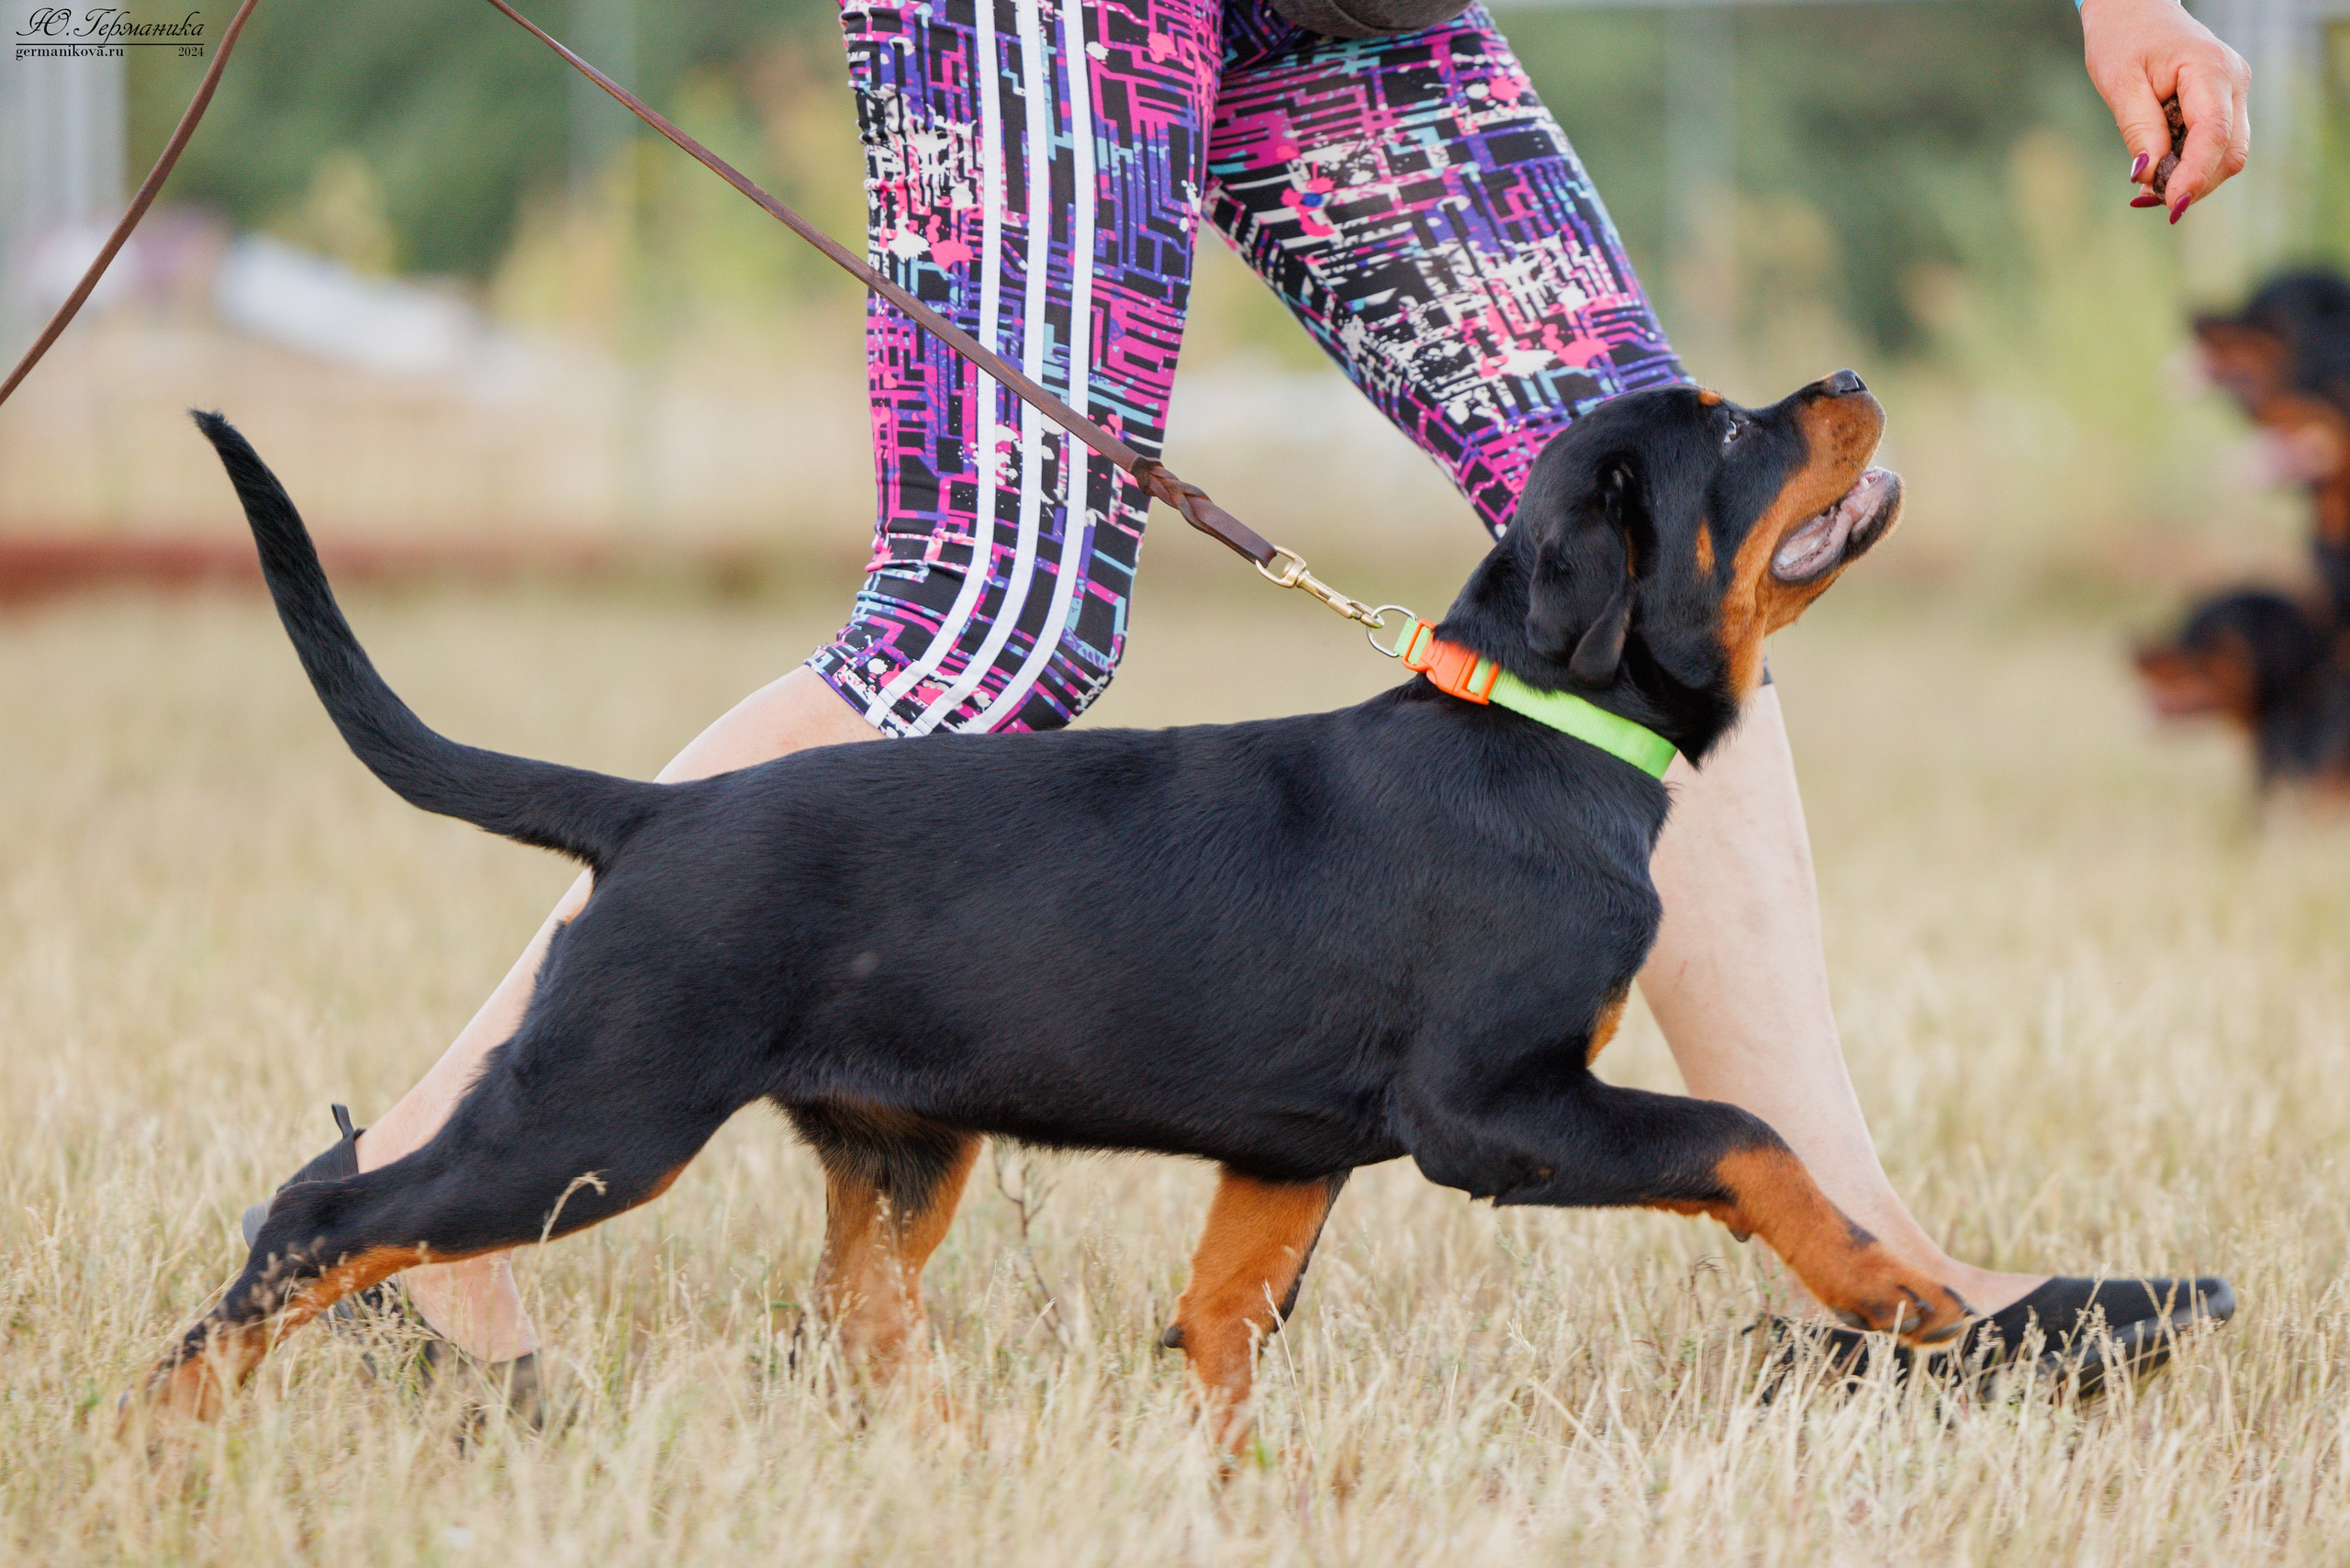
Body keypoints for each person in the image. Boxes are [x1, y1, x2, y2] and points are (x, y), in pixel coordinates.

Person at [252, 0, 2247, 1394]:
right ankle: (428, 1205)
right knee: (994, 610)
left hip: (1346, 4)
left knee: (1667, 546)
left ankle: (1861, 1265)